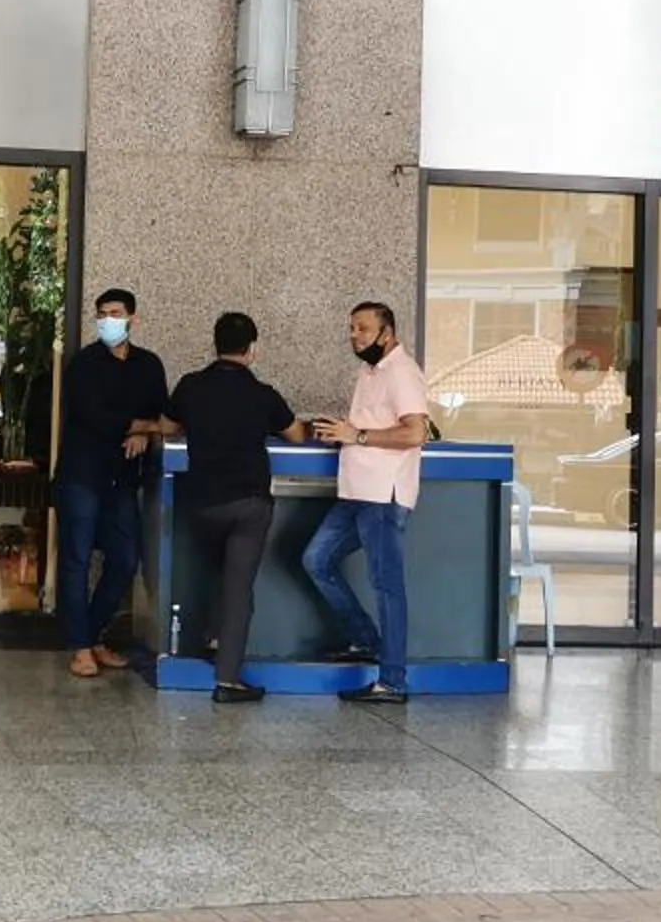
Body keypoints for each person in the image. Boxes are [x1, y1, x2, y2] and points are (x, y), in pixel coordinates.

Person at [162, 311, 306, 705]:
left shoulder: (191, 386)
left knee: (214, 572)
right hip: (248, 503)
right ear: (252, 351)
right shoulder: (263, 395)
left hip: (202, 503)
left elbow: (166, 427)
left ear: (215, 345)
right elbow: (296, 435)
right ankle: (228, 679)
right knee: (238, 586)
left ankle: (210, 637)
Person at [307, 300, 433, 705]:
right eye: (351, 329)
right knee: (316, 560)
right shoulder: (370, 370)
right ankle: (365, 640)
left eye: (362, 329)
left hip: (383, 496)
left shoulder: (402, 372)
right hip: (357, 492)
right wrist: (343, 433)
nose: (354, 336)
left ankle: (392, 681)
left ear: (387, 332)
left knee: (387, 586)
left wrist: (357, 435)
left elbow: (416, 434)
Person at [52, 288, 168, 678]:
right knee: (77, 560)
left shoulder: (149, 365)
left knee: (124, 560)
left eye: (115, 313)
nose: (107, 320)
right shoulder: (83, 364)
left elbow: (160, 412)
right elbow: (93, 416)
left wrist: (143, 432)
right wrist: (141, 426)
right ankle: (80, 646)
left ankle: (94, 633)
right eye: (101, 313)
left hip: (122, 477)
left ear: (133, 318)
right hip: (81, 475)